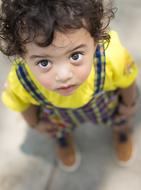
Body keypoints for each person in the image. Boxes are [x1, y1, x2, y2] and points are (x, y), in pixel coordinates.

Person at [0, 0, 138, 172]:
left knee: (120, 117)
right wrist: (35, 124)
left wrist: (128, 105)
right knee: (56, 129)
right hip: (59, 117)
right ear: (22, 55)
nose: (64, 75)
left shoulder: (111, 57)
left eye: (75, 56)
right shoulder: (21, 80)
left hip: (105, 106)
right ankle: (63, 139)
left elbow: (127, 80)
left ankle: (121, 131)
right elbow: (20, 102)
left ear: (95, 41)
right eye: (44, 62)